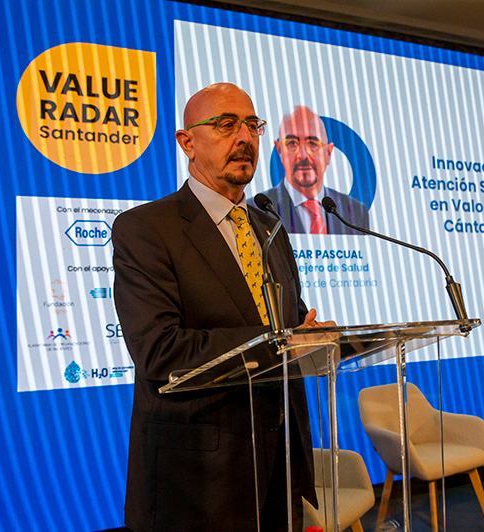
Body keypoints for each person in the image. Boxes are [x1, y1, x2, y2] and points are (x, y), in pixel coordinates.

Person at [113, 83, 328, 531]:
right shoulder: (146, 228)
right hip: (198, 481)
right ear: (187, 142)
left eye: (252, 124)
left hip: (279, 464)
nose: (245, 137)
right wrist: (281, 346)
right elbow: (160, 351)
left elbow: (288, 324)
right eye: (226, 125)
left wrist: (312, 337)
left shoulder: (270, 227)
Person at [260, 106, 369, 235]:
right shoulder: (257, 210)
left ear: (328, 153)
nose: (303, 155)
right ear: (279, 151)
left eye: (312, 144)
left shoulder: (355, 212)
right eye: (292, 143)